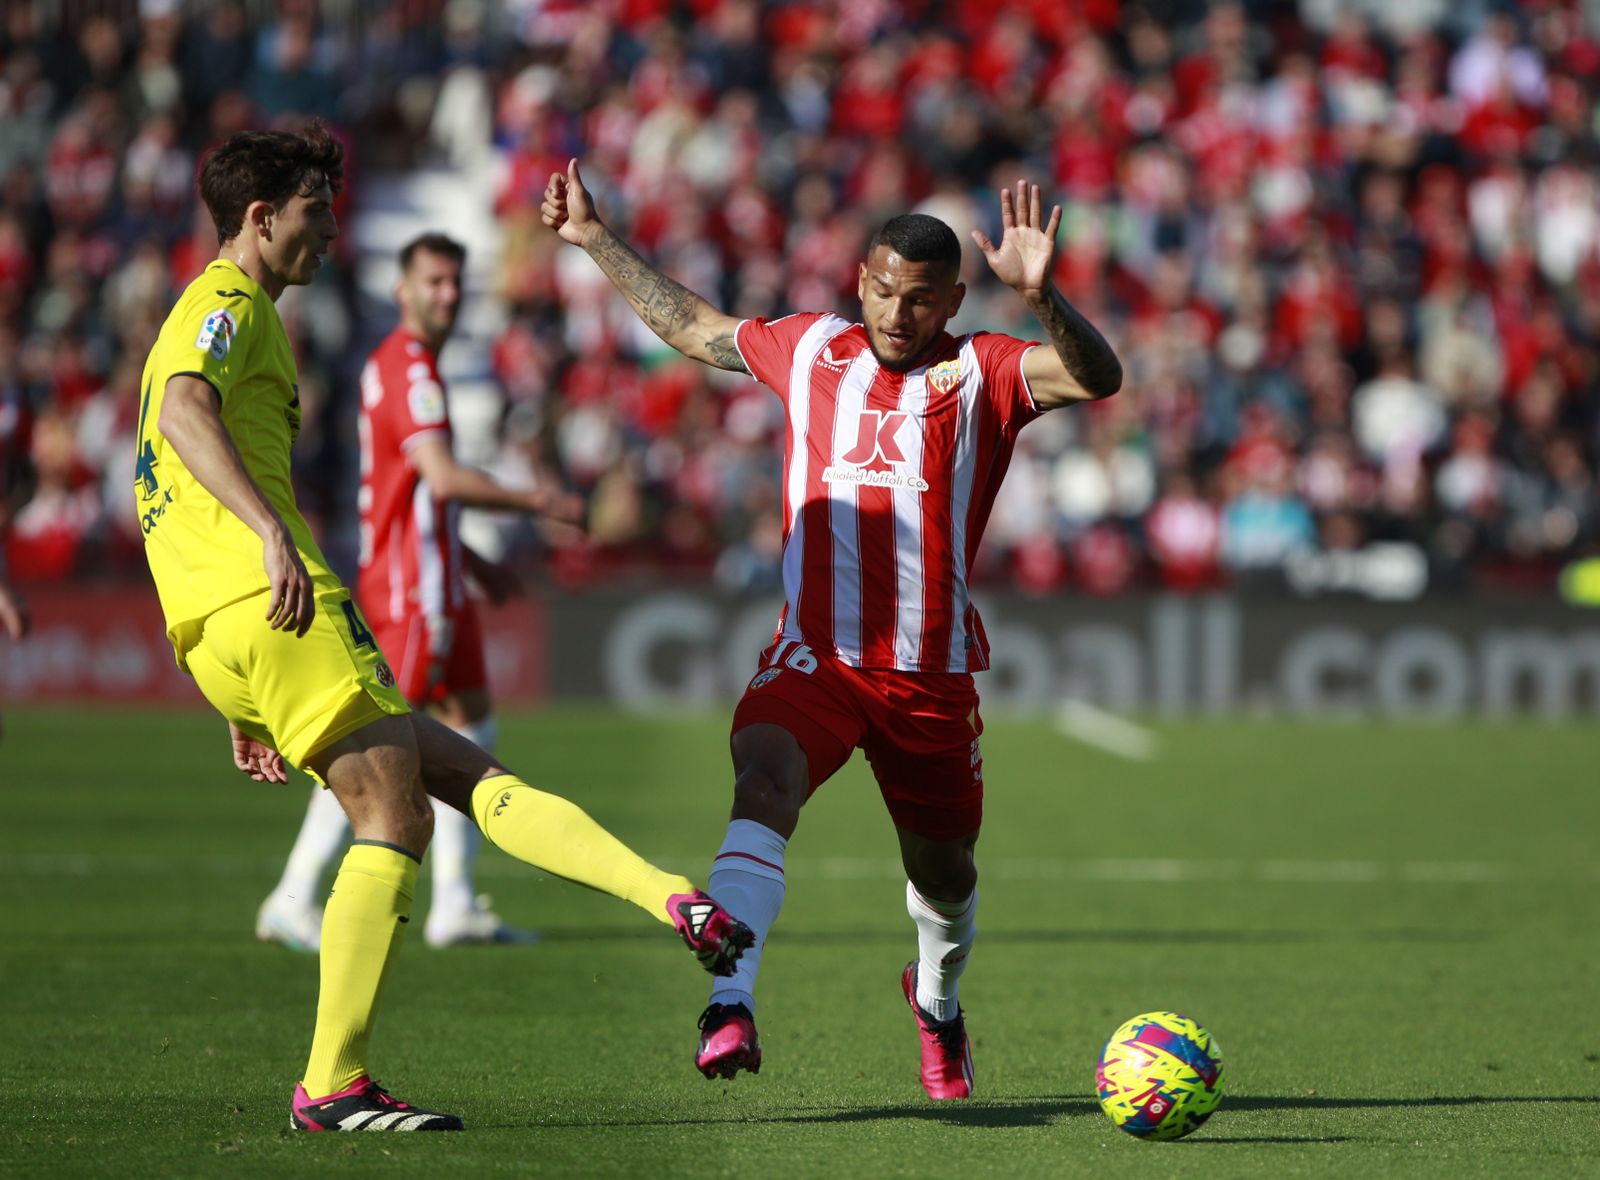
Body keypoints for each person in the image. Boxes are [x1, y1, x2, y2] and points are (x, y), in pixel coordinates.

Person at [135, 123, 752, 1133]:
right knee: (396, 816)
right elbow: (182, 418)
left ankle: (670, 897)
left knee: (461, 770)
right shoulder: (225, 303)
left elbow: (160, 467)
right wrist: (267, 541)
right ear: (259, 218)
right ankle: (332, 1081)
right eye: (314, 212)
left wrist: (235, 680)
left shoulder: (222, 315)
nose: (330, 233)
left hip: (224, 626)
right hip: (271, 600)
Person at [541, 160, 1121, 1100]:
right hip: (816, 657)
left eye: (923, 300)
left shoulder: (984, 372)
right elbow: (691, 326)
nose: (900, 315)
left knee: (945, 874)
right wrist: (594, 239)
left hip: (929, 677)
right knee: (763, 781)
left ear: (953, 301)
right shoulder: (808, 349)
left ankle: (935, 998)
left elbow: (1099, 376)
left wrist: (1044, 295)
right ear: (861, 281)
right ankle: (729, 1001)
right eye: (886, 292)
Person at [256, 231, 575, 952]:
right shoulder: (412, 370)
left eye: (456, 283)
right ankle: (294, 893)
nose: (447, 295)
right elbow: (440, 477)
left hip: (437, 577)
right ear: (402, 289)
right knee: (371, 741)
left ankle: (456, 903)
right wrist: (538, 502)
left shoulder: (400, 365)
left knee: (473, 725)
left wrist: (469, 559)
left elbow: (414, 494)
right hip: (412, 590)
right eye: (433, 281)